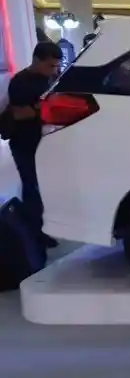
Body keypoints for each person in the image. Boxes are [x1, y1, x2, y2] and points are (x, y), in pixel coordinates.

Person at [5, 42, 63, 251]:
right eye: (50, 66)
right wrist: (45, 107)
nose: (54, 70)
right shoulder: (20, 82)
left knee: (46, 187)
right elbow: (19, 113)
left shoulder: (52, 79)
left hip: (48, 141)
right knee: (32, 188)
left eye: (56, 66)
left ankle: (44, 229)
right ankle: (34, 233)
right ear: (37, 60)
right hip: (25, 143)